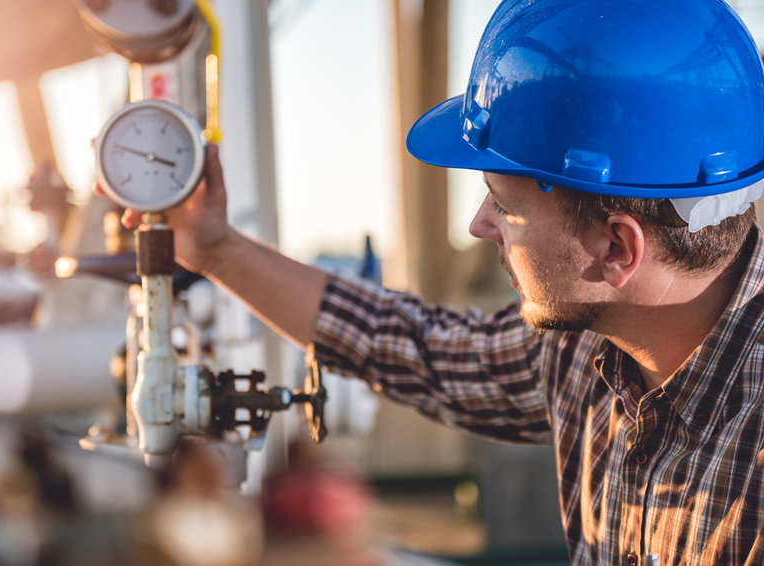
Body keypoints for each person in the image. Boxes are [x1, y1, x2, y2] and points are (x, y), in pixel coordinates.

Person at [98, 1, 764, 563]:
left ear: (618, 248)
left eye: (503, 203)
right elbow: (420, 346)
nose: (479, 225)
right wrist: (215, 248)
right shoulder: (588, 348)